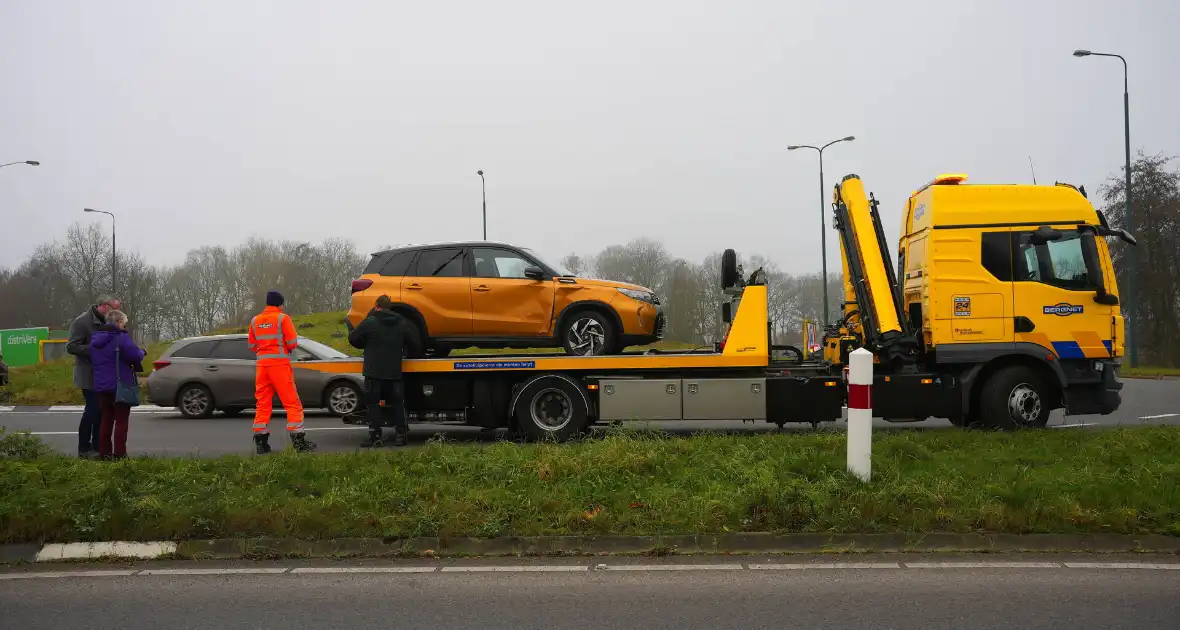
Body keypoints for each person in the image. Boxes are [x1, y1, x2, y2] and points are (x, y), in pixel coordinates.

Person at [248, 290, 316, 454]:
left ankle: (261, 443)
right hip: (279, 366)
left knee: (263, 404)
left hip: (262, 367)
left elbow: (252, 346)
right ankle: (298, 440)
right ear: (280, 303)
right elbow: (292, 342)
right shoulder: (282, 318)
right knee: (292, 403)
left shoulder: (255, 320)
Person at [348, 294, 413, 447]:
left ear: (376, 306)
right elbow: (413, 342)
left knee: (373, 404)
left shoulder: (371, 321)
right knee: (398, 403)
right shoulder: (401, 322)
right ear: (389, 307)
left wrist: (365, 344)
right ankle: (401, 435)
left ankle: (375, 437)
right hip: (394, 371)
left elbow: (353, 338)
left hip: (373, 371)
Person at [66, 296, 121, 458]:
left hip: (104, 375)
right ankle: (84, 448)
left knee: (103, 412)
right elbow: (71, 347)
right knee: (93, 410)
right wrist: (95, 351)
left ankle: (99, 448)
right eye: (115, 309)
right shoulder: (81, 322)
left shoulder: (108, 321)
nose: (117, 313)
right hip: (88, 375)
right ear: (104, 306)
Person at [89, 309, 146, 460]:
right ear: (119, 322)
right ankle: (120, 454)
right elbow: (134, 355)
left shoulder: (95, 339)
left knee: (106, 420)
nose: (125, 326)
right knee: (121, 421)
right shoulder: (121, 337)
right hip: (119, 385)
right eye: (124, 324)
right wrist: (142, 353)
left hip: (101, 385)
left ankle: (105, 454)